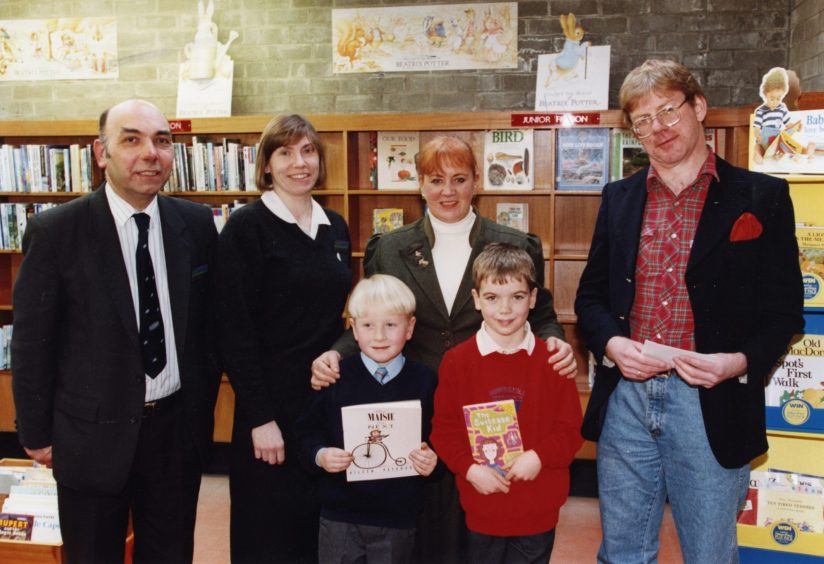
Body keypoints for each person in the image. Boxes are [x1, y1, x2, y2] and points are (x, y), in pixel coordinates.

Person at [575, 59, 804, 563]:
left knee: (708, 554)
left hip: (711, 403)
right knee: (622, 554)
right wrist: (611, 345)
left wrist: (739, 362)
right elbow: (589, 299)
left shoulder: (761, 197)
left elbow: (785, 310)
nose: (658, 128)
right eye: (642, 120)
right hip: (627, 402)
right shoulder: (619, 198)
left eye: (669, 111)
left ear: (698, 107)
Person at [311, 135, 575, 563]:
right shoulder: (391, 247)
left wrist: (556, 343)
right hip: (412, 401)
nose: (447, 191)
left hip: (485, 398)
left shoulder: (512, 243)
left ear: (476, 183)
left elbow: (539, 312)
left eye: (459, 179)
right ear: (419, 184)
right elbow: (373, 311)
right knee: (420, 526)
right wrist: (336, 353)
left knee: (482, 522)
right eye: (436, 180)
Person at [11, 99, 221, 563]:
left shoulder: (195, 224)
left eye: (162, 141)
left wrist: (197, 417)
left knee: (169, 554)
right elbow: (31, 341)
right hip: (90, 437)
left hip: (174, 433)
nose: (151, 153)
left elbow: (207, 329)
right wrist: (36, 431)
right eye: (132, 139)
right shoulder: (56, 232)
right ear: (100, 153)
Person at [216, 114, 352, 563]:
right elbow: (233, 330)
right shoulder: (246, 227)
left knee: (319, 532)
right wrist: (260, 417)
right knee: (268, 534)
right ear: (267, 164)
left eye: (308, 150)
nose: (300, 162)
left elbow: (338, 320)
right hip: (268, 411)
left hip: (322, 405)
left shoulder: (335, 226)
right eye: (286, 152)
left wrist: (335, 355)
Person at [431, 242, 583, 564]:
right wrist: (471, 470)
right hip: (483, 505)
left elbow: (570, 431)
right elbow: (443, 432)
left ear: (532, 299)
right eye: (492, 298)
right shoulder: (457, 362)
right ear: (476, 300)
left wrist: (539, 457)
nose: (505, 310)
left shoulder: (554, 360)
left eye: (516, 297)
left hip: (538, 508)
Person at [295, 274, 439, 564]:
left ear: (409, 328)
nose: (379, 336)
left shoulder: (425, 381)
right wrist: (320, 456)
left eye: (391, 325)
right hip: (340, 514)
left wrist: (434, 460)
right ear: (353, 329)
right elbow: (305, 433)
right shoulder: (334, 378)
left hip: (398, 515)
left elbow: (439, 437)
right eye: (368, 325)